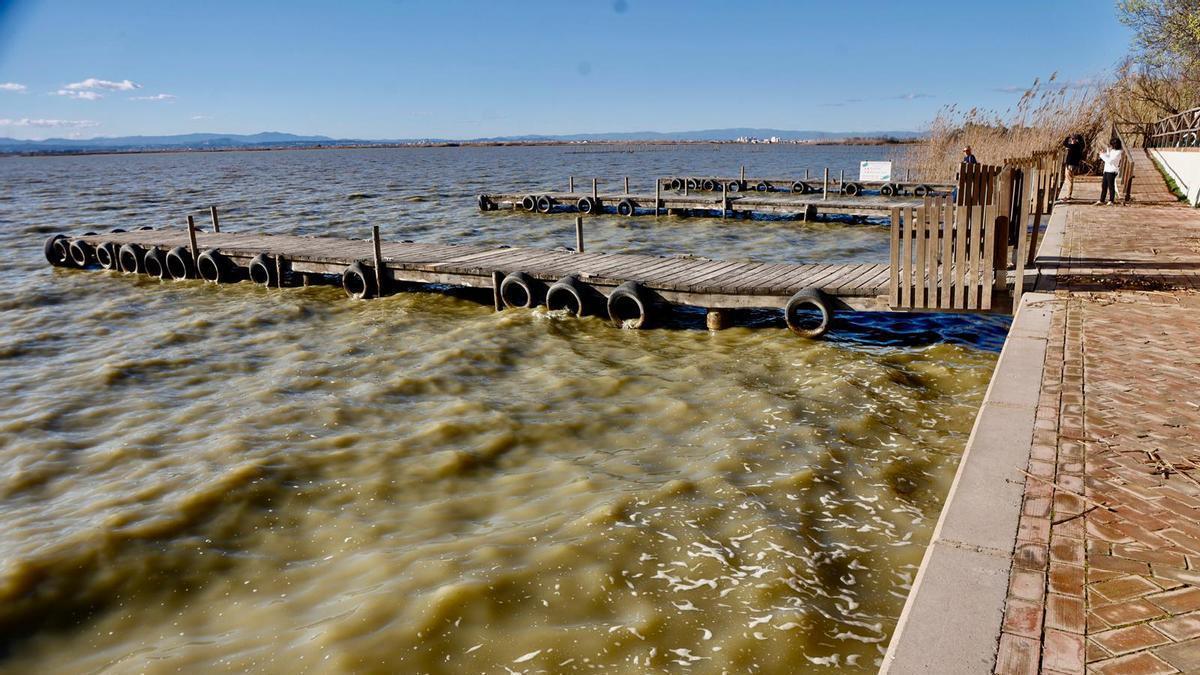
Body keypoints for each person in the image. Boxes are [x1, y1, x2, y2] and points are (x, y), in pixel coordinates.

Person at [1097, 138, 1123, 206]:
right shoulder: (1113, 151)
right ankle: (1102, 200)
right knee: (1104, 186)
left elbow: (1110, 161)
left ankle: (1111, 200)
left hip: (1112, 171)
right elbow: (1108, 156)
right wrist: (1104, 153)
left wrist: (1102, 155)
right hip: (1106, 170)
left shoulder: (1118, 152)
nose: (1111, 146)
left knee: (1111, 186)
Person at [1060, 133, 1085, 203]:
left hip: (1070, 165)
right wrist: (1078, 137)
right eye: (1072, 139)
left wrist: (1068, 137)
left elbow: (1064, 143)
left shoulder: (1073, 146)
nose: (1072, 140)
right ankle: (1069, 195)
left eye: (1073, 139)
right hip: (1074, 165)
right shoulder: (1079, 146)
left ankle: (1068, 196)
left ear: (1076, 140)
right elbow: (1082, 144)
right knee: (1070, 179)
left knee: (1069, 180)